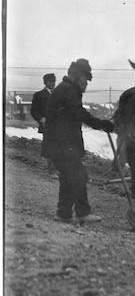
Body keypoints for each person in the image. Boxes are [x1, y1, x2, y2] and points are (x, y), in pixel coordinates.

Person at [41, 58, 115, 224]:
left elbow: (74, 114)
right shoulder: (69, 90)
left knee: (68, 177)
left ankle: (63, 213)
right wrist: (102, 124)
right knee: (78, 175)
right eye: (85, 79)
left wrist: (100, 124)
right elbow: (79, 114)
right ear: (77, 76)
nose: (87, 84)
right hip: (62, 143)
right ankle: (82, 212)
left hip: (59, 143)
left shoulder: (64, 88)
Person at [31, 73, 58, 177]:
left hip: (59, 125)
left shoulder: (58, 94)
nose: (53, 83)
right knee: (50, 147)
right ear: (45, 82)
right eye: (50, 81)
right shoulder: (39, 95)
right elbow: (34, 110)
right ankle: (52, 170)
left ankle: (58, 169)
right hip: (47, 125)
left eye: (54, 81)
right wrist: (40, 118)